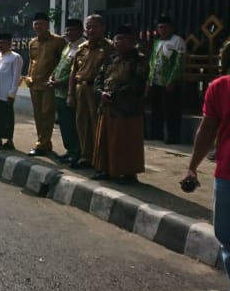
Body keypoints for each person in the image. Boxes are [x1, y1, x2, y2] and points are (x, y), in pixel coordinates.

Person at [184, 40, 230, 291]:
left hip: (227, 173)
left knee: (228, 237)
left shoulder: (221, 87)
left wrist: (192, 167)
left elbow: (206, 130)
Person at [91, 25, 149, 184]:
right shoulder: (110, 58)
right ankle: (107, 170)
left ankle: (128, 173)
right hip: (107, 105)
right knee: (105, 140)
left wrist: (115, 95)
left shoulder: (140, 59)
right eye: (117, 39)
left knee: (126, 141)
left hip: (128, 108)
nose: (120, 42)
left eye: (124, 39)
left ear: (132, 42)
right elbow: (99, 78)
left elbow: (138, 82)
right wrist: (101, 92)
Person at [68, 14, 114, 169]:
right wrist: (70, 94)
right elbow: (73, 72)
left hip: (96, 89)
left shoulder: (109, 48)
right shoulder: (82, 48)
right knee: (82, 122)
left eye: (94, 26)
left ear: (102, 28)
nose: (91, 30)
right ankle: (85, 155)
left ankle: (99, 158)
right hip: (80, 88)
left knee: (97, 124)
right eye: (88, 27)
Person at [25, 12, 67, 156]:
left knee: (47, 114)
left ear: (47, 24)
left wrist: (55, 78)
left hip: (49, 84)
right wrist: (28, 77)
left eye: (41, 23)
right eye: (36, 24)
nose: (38, 26)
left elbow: (63, 62)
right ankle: (43, 142)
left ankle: (42, 144)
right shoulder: (32, 42)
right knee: (38, 115)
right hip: (34, 83)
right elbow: (32, 61)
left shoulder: (58, 41)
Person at [48, 18, 85, 164]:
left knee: (73, 124)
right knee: (64, 123)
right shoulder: (67, 46)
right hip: (59, 92)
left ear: (80, 30)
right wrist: (52, 77)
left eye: (72, 30)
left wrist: (61, 82)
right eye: (67, 30)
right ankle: (69, 150)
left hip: (72, 92)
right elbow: (60, 64)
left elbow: (77, 72)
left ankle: (78, 151)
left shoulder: (83, 47)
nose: (68, 33)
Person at [147, 15, 187, 144]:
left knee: (171, 111)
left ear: (171, 28)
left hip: (169, 81)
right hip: (156, 80)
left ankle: (173, 137)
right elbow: (152, 60)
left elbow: (179, 63)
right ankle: (156, 133)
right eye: (160, 27)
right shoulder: (157, 42)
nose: (162, 30)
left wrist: (172, 79)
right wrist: (149, 78)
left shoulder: (178, 41)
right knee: (156, 109)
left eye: (164, 27)